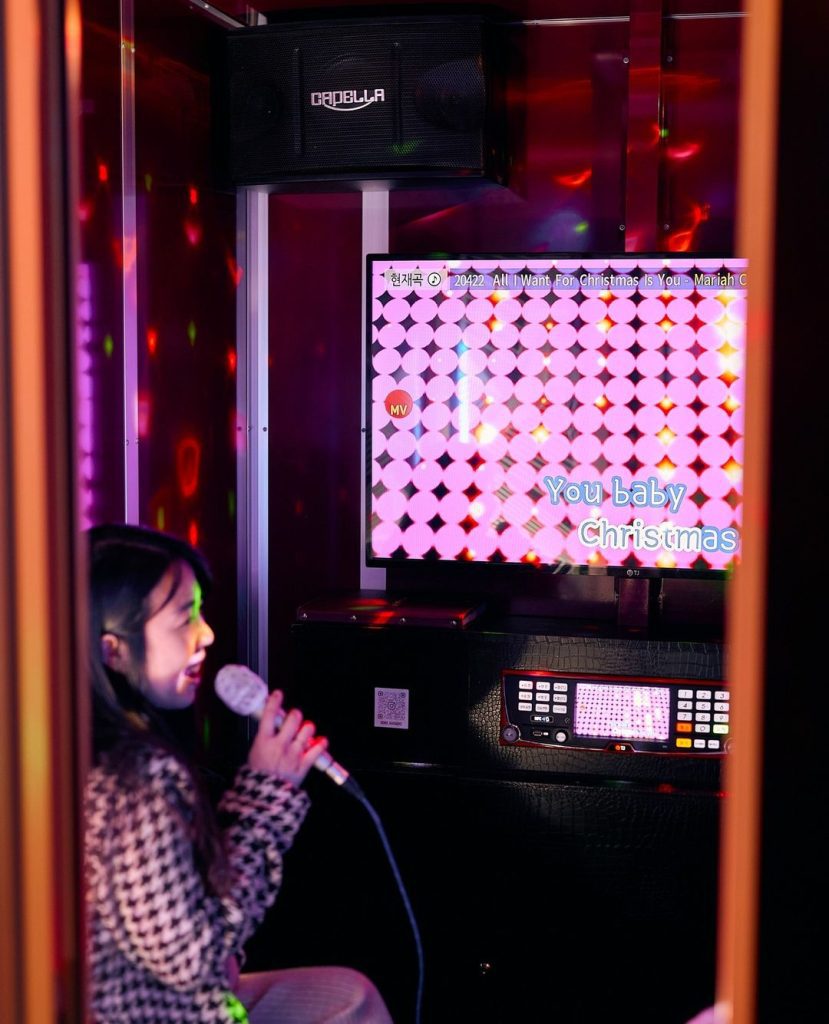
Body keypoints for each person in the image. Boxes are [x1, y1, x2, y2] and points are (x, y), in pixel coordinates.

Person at [85, 523, 393, 1023]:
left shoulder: (81, 744)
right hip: (152, 1010)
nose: (206, 634)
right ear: (112, 649)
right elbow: (194, 959)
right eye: (184, 618)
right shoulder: (135, 776)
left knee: (349, 995)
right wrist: (265, 797)